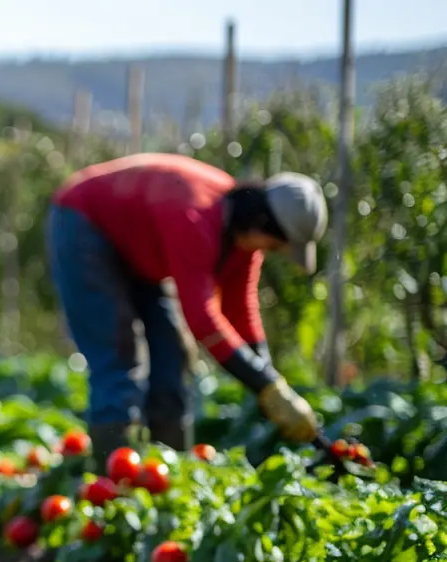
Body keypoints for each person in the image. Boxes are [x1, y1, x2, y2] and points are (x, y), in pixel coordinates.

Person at [47, 152, 327, 459]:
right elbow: (202, 319)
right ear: (261, 223)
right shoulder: (197, 217)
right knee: (118, 356)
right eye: (276, 245)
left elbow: (240, 311)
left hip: (138, 246)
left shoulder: (243, 241)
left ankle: (169, 470)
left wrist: (272, 386)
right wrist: (266, 386)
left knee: (172, 354)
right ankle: (112, 479)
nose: (271, 252)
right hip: (84, 223)